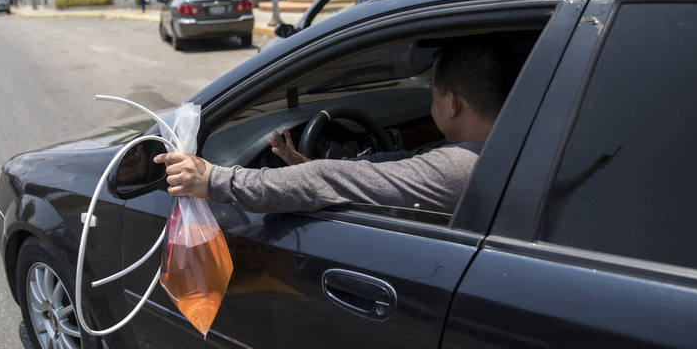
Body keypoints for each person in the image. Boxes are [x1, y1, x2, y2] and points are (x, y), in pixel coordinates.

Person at [155, 39, 517, 215]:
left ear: (452, 103)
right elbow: (394, 165)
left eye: (434, 93)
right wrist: (302, 164)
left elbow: (331, 179)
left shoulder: (463, 167)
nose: (431, 101)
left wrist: (215, 178)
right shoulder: (511, 147)